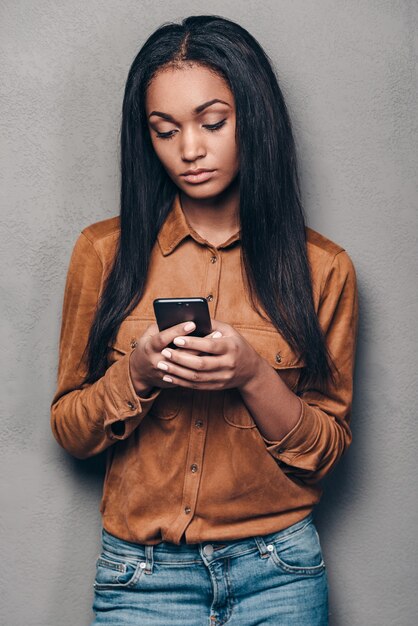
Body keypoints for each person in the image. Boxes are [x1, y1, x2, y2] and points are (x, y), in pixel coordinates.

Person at [51, 14, 359, 626]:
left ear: (255, 119)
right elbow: (70, 431)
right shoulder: (102, 254)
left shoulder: (324, 269)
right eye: (165, 131)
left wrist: (252, 376)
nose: (190, 150)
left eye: (213, 123)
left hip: (280, 574)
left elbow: (326, 452)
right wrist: (134, 376)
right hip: (142, 578)